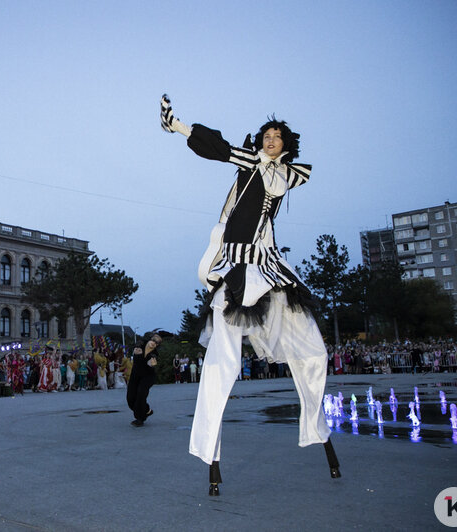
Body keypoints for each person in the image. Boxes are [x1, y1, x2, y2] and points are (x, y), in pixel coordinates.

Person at [161, 95, 339, 496]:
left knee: (313, 350)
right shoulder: (249, 160)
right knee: (221, 364)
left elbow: (283, 180)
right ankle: (210, 454)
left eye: (277, 136)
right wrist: (180, 127)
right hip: (237, 272)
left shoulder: (287, 172)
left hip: (271, 270)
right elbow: (220, 149)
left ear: (285, 143)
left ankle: (317, 427)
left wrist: (269, 160)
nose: (270, 139)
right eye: (266, 135)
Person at [126, 333, 162, 426]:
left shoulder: (154, 354)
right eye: (154, 340)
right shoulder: (140, 345)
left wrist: (150, 363)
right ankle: (147, 410)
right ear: (150, 339)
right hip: (135, 376)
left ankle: (140, 418)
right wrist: (136, 348)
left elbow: (153, 360)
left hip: (148, 377)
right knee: (130, 398)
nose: (154, 343)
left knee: (141, 395)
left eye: (157, 343)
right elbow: (135, 345)